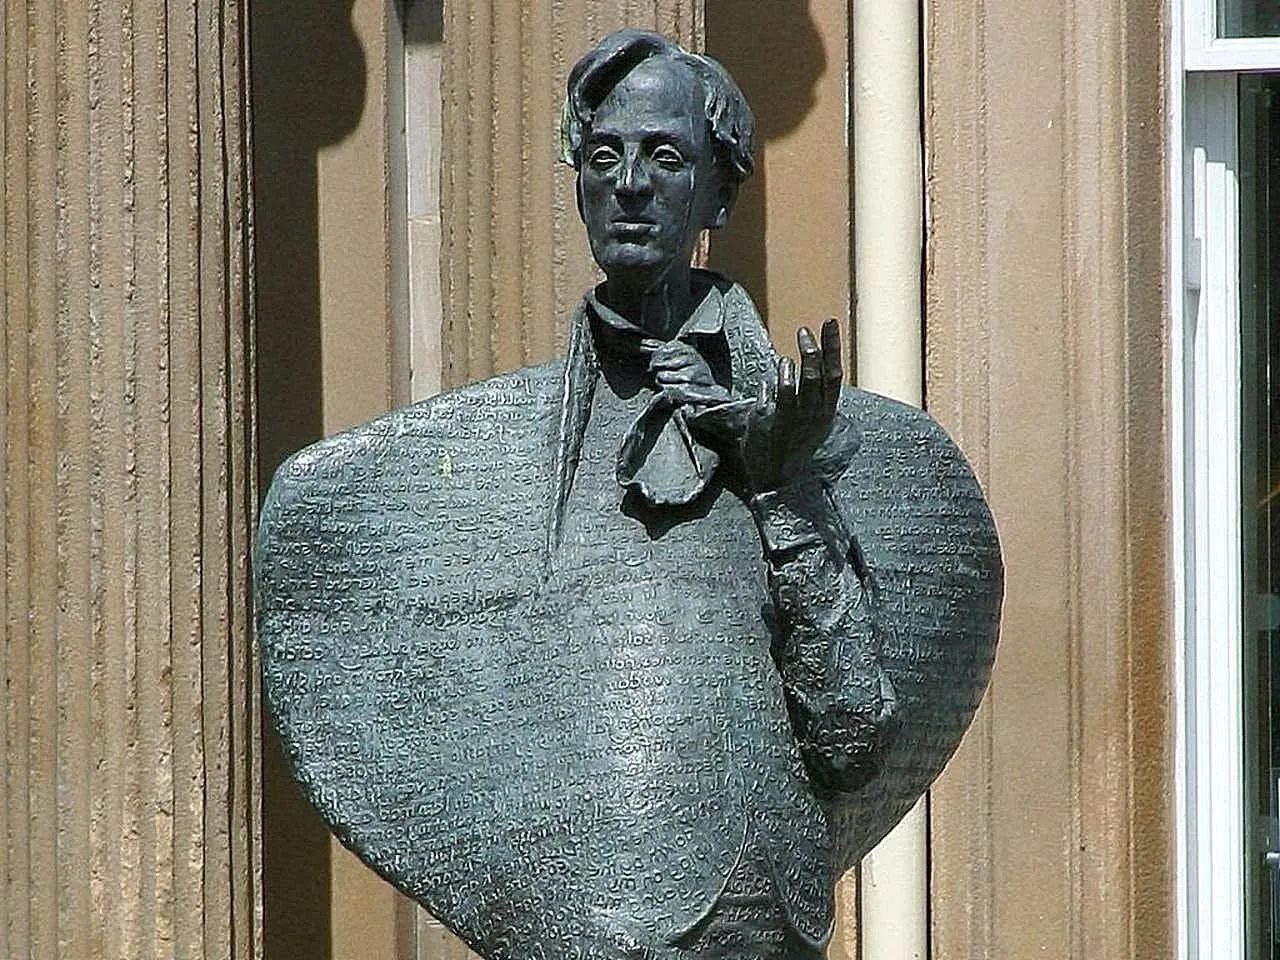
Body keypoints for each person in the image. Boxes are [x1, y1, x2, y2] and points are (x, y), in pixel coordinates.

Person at [255, 27, 1000, 960]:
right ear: (579, 184)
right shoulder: (471, 457)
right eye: (604, 155)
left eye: (665, 156)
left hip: (754, 922)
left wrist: (782, 497)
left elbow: (853, 742)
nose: (632, 183)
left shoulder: (824, 440)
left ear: (720, 188)